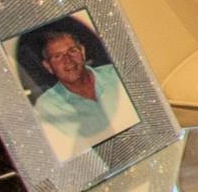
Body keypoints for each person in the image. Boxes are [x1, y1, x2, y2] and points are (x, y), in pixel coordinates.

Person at [15, 16, 139, 162]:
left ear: (83, 52)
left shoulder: (117, 76)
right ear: (48, 66)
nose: (68, 60)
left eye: (72, 51)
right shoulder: (46, 108)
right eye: (57, 56)